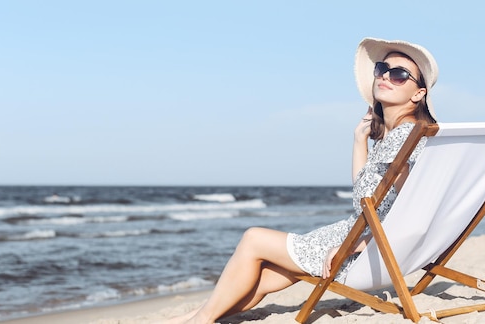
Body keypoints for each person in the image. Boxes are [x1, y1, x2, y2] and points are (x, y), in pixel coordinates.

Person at [165, 37, 439, 324]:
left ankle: (200, 320)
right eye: (383, 69)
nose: (385, 76)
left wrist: (351, 247)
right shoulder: (401, 136)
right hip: (362, 240)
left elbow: (410, 217)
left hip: (366, 251)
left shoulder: (404, 138)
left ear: (418, 94)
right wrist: (359, 140)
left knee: (253, 238)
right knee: (265, 276)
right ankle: (189, 318)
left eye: (398, 75)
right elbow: (364, 196)